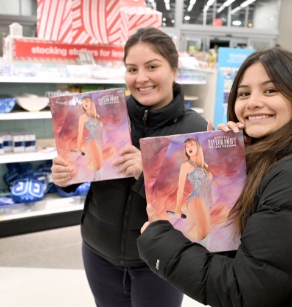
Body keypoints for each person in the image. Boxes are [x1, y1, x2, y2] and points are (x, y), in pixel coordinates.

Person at [137, 47, 292, 306]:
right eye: (244, 93)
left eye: (270, 90)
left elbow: (244, 292)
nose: (253, 102)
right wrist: (235, 159)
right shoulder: (274, 159)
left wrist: (160, 242)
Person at [51, 27, 208, 307]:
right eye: (132, 69)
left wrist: (146, 175)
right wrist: (66, 177)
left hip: (161, 260)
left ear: (174, 69)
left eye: (152, 66)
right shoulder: (106, 115)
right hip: (99, 251)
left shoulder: (194, 131)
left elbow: (202, 205)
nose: (141, 78)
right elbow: (87, 162)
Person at [173, 138, 213, 242]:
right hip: (196, 198)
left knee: (206, 233)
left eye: (192, 145)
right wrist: (178, 208)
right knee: (204, 233)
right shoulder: (186, 165)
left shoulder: (205, 166)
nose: (189, 148)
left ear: (198, 147)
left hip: (207, 201)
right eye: (187, 146)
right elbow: (180, 187)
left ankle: (199, 254)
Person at [76, 96, 104, 179]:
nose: (85, 103)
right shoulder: (83, 116)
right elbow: (80, 133)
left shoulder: (97, 116)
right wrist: (78, 148)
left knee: (100, 166)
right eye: (83, 102)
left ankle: (97, 181)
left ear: (91, 102)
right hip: (91, 141)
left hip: (99, 142)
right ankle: (97, 183)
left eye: (87, 101)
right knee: (98, 166)